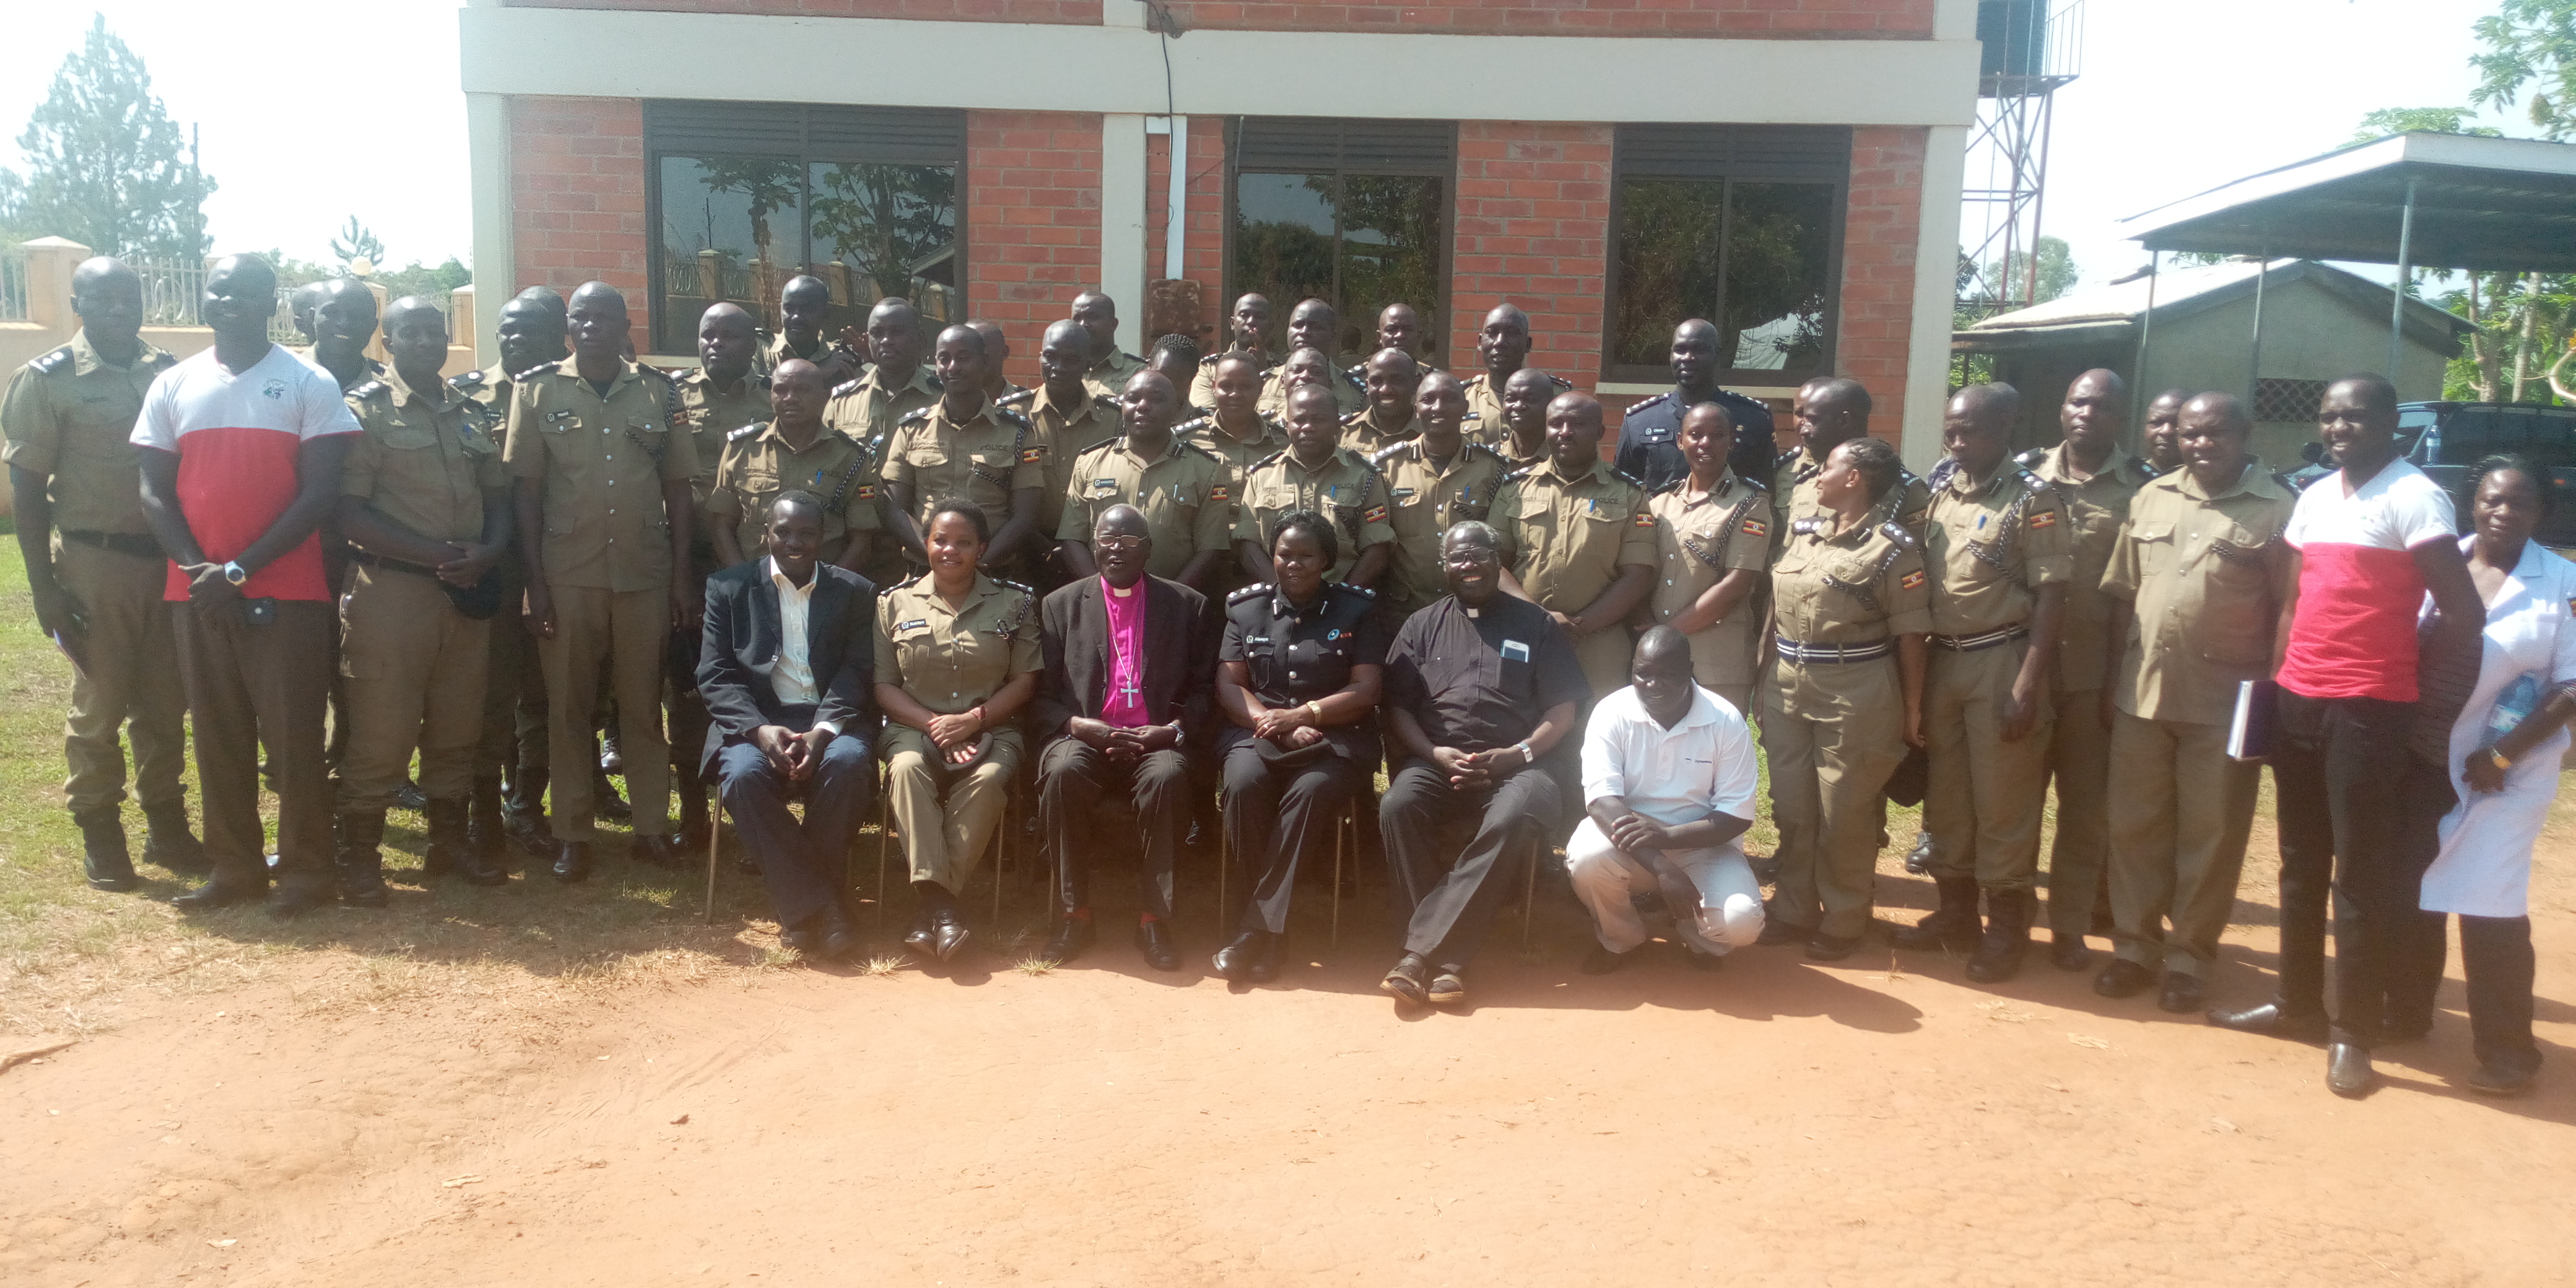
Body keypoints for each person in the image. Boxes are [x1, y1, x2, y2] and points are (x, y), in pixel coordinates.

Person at [2206, 374, 2484, 1100]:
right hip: (2298, 701)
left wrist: (2398, 670)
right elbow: (2293, 602)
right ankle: (2297, 1006)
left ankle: (2350, 1032)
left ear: (2390, 422)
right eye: (2329, 417)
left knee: (2357, 875)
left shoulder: (2413, 496)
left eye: (2354, 416)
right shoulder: (2314, 496)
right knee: (2298, 862)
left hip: (2369, 710)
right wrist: (2273, 690)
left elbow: (2461, 613)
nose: (2338, 428)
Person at [133, 254, 359, 918]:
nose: (229, 302)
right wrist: (200, 569)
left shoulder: (307, 382)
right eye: (220, 291)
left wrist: (239, 569)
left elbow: (320, 493)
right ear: (205, 299)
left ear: (271, 305)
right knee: (218, 735)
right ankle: (234, 868)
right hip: (196, 594)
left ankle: (307, 873)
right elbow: (152, 489)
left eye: (246, 293)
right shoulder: (173, 383)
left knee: (293, 740)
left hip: (287, 592)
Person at [2, 255, 202, 889]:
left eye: (130, 296)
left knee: (166, 703)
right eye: (104, 297)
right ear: (77, 304)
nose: (120, 308)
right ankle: (99, 830)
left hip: (166, 562)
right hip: (96, 562)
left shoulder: (168, 372)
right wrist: (45, 590)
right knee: (101, 700)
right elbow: (28, 491)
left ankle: (166, 824)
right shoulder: (47, 379)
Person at [2093, 393, 2294, 1014]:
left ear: (2243, 434)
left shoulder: (2277, 507)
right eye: (2189, 434)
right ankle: (2132, 947)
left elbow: (2288, 608)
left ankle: (2187, 957)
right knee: (2132, 828)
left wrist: (2276, 694)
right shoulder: (2151, 497)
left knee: (2210, 836)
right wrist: (2110, 681)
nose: (2201, 444)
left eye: (2215, 434)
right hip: (2141, 692)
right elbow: (2122, 595)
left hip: (2223, 701)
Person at [2389, 456, 2572, 1097]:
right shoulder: (2436, 564)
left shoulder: (2562, 581)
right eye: (2492, 500)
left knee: (2488, 905)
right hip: (2422, 754)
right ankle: (2405, 1012)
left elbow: (2570, 685)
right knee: (2414, 891)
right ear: (2473, 503)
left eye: (2518, 503)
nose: (2502, 511)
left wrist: (2501, 755)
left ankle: (2507, 1051)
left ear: (2537, 514)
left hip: (2507, 771)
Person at [506, 281, 700, 882]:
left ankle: (650, 827)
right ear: (568, 326)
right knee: (568, 709)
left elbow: (678, 490)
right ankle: (572, 833)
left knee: (642, 707)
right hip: (568, 575)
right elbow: (526, 494)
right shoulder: (536, 390)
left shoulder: (659, 391)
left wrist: (680, 577)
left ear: (623, 326)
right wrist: (535, 583)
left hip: (643, 573)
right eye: (580, 317)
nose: (591, 326)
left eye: (603, 317)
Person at [330, 297, 515, 900]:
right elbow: (349, 513)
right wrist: (434, 554)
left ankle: (448, 842)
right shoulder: (365, 410)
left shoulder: (471, 409)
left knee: (457, 726)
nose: (424, 342)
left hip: (464, 596)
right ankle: (358, 854)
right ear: (388, 341)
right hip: (393, 594)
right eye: (409, 332)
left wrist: (489, 551)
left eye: (434, 332)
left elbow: (499, 499)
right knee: (382, 729)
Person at [1894, 383, 2071, 984]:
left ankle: (2006, 929)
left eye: (1971, 430)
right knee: (1948, 797)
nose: (1957, 439)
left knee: (2002, 801)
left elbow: (2051, 595)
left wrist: (2026, 682)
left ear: (2005, 428)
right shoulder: (1940, 491)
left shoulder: (2031, 499)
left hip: (2001, 659)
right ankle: (1954, 915)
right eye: (1951, 428)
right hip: (1944, 661)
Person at [1378, 520, 1585, 1007]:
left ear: (1498, 563)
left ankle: (1420, 955)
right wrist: (1431, 753)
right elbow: (1398, 708)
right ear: (1443, 566)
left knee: (1513, 814)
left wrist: (1517, 754)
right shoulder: (1421, 624)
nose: (1468, 565)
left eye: (1479, 556)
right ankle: (1447, 959)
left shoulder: (1536, 625)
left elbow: (1563, 710)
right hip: (1438, 759)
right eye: (1458, 558)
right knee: (1397, 805)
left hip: (1521, 764)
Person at [1759, 435, 1929, 959]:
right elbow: (1776, 606)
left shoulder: (1894, 548)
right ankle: (1793, 907)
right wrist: (1761, 672)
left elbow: (1912, 635)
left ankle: (1846, 918)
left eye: (1828, 467)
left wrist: (1912, 711)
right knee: (1792, 806)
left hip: (1854, 687)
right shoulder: (1806, 533)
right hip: (1788, 682)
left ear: (1854, 478)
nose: (1816, 477)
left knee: (1845, 812)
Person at [1031, 505, 1216, 968]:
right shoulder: (1060, 605)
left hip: (1155, 740)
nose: (1116, 548)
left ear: (1148, 550)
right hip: (1086, 737)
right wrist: (1077, 726)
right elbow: (1038, 695)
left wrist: (1171, 731)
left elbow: (1205, 691)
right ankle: (1076, 914)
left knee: (1170, 778)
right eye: (1107, 540)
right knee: (1061, 772)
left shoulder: (1187, 605)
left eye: (1129, 540)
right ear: (1094, 547)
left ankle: (1154, 920)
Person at [698, 491, 878, 962]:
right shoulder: (728, 587)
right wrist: (759, 730)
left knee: (849, 765)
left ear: (824, 538)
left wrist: (822, 731)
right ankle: (823, 908)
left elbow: (859, 670)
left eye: (806, 534)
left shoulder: (856, 591)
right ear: (766, 533)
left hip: (830, 720)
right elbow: (715, 674)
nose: (793, 542)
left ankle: (802, 909)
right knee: (741, 775)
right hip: (756, 721)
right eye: (783, 532)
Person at [2021, 368, 2159, 970]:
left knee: (2084, 810)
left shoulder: (2144, 489)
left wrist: (2117, 682)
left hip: (2094, 677)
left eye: (2101, 407)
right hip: (2021, 668)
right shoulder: (2023, 474)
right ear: (2061, 408)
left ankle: (2069, 925)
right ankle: (2006, 914)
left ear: (2119, 419)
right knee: (2013, 803)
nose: (2086, 413)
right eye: (2077, 401)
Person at [1213, 511, 1386, 983]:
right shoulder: (1244, 610)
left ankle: (1257, 930)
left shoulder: (1358, 609)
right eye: (1285, 555)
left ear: (1326, 560)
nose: (1293, 564)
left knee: (1309, 792)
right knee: (1243, 782)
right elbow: (1230, 685)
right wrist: (1275, 723)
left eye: (1305, 556)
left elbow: (1366, 689)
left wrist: (1306, 715)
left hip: (1337, 739)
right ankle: (1270, 930)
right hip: (1258, 733)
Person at [873, 500, 1042, 962]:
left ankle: (930, 907)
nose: (951, 550)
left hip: (992, 726)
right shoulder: (892, 602)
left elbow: (1025, 680)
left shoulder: (1017, 602)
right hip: (913, 724)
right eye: (940, 540)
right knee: (906, 769)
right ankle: (943, 907)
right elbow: (884, 684)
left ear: (982, 548)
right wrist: (933, 724)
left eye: (963, 542)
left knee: (987, 780)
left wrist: (973, 721)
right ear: (925, 544)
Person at [1569, 627, 1764, 973]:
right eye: (1644, 673)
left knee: (1741, 922)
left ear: (1690, 670)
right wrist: (1663, 867)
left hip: (1705, 844)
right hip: (1629, 841)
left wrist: (1668, 839)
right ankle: (1622, 939)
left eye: (1668, 674)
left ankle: (1699, 938)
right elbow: (1601, 801)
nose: (1653, 684)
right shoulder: (1610, 712)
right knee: (1588, 859)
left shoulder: (1726, 720)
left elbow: (1736, 816)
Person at [461, 287, 569, 859]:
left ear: (560, 336)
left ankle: (527, 804)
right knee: (491, 694)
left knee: (549, 696)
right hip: (495, 570)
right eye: (508, 327)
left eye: (531, 328)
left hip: (564, 564)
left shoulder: (574, 391)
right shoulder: (466, 397)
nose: (515, 338)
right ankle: (485, 812)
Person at [668, 302, 773, 849]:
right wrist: (682, 575)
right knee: (689, 689)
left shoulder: (774, 396)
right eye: (708, 335)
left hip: (753, 570)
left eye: (730, 337)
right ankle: (691, 811)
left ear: (752, 343)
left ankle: (754, 802)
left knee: (754, 682)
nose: (716, 345)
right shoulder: (673, 395)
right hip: (691, 563)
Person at [1490, 390, 1656, 700]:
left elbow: (1638, 576)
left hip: (1599, 642)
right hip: (1525, 633)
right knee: (1523, 724)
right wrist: (1541, 620)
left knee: (1595, 733)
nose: (1565, 432)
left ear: (1600, 433)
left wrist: (1580, 627)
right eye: (1556, 424)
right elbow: (1495, 564)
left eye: (1577, 424)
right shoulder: (1516, 488)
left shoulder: (1629, 494)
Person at [880, 325, 1045, 573]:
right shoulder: (911, 429)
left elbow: (1025, 516)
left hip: (992, 571)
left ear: (985, 361)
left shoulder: (1017, 432)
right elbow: (894, 508)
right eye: (944, 358)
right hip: (925, 569)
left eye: (964, 358)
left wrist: (978, 562)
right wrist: (938, 558)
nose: (953, 367)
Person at [1639, 402, 1769, 714]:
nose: (1705, 444)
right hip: (1657, 665)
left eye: (1717, 435)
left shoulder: (1750, 505)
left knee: (1714, 756)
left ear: (1731, 442)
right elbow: (1640, 573)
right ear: (1680, 441)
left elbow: (1737, 585)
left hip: (1717, 663)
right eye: (1695, 435)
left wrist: (1666, 636)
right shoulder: (1658, 504)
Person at [1055, 370, 1232, 590]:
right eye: (1133, 399)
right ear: (1122, 407)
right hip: (1102, 602)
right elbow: (1072, 538)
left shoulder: (1206, 469)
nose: (1143, 406)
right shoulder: (1090, 463)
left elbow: (1210, 549)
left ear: (1177, 411)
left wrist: (1169, 599)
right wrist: (1100, 593)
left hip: (1174, 605)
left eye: (1156, 399)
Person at [705, 359, 880, 573]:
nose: (790, 398)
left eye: (802, 390)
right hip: (754, 582)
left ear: (825, 398)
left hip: (822, 586)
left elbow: (861, 541)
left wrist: (827, 589)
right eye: (780, 390)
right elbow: (721, 526)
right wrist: (746, 582)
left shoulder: (851, 456)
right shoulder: (741, 449)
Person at [1368, 369, 1509, 622]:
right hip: (1403, 610)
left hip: (1472, 608)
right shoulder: (1386, 467)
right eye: (1428, 399)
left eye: (1449, 399)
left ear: (1465, 407)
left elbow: (1501, 544)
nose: (1438, 407)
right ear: (1416, 405)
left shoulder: (1493, 468)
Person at [1235, 382, 1395, 588]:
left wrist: (1340, 602)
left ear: (1338, 425)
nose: (1308, 427)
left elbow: (1377, 548)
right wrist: (1282, 593)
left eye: (1319, 420)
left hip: (1343, 600)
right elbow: (1248, 545)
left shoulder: (1365, 476)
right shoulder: (1262, 476)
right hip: (1276, 600)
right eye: (1299, 420)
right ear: (1287, 425)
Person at [1018, 320, 1125, 584]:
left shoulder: (1113, 418)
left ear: (1088, 363)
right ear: (1040, 356)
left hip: (1092, 551)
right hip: (1024, 548)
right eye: (1050, 357)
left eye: (1071, 359)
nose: (1058, 368)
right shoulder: (1014, 415)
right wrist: (1038, 543)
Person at [1615, 319, 1778, 494]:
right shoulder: (1639, 421)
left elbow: (1768, 490)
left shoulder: (1754, 418)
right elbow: (1623, 493)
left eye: (1699, 350)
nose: (1688, 357)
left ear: (1718, 355)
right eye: (1680, 350)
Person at [1772, 377, 1926, 536]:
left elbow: (1916, 553)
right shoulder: (1784, 471)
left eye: (1813, 420)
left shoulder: (1899, 486)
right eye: (1800, 415)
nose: (1803, 428)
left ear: (1844, 420)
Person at [821, 297, 940, 451]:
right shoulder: (842, 401)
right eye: (877, 333)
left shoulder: (944, 399)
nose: (885, 341)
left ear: (921, 339)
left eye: (897, 332)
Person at [1461, 304, 1570, 439]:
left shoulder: (1557, 398)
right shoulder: (1460, 398)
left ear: (1527, 344)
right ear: (1479, 342)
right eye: (1492, 332)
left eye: (1512, 333)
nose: (1500, 342)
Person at [1257, 300, 1364, 417]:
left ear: (1333, 336)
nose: (1304, 332)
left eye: (1316, 327)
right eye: (1298, 325)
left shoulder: (1354, 390)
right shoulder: (1262, 384)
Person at [759, 274, 859, 385]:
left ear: (826, 314)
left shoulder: (839, 358)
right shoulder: (759, 349)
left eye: (807, 310)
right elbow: (750, 385)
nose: (796, 317)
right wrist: (819, 374)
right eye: (789, 309)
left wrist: (869, 359)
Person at [1186, 292, 1271, 406]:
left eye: (1259, 317)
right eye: (1244, 315)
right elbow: (1205, 416)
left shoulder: (1284, 373)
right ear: (1232, 323)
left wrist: (1264, 372)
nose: (1251, 321)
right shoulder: (1209, 369)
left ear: (1271, 327)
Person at [301, 278, 385, 392]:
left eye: (357, 316)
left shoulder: (389, 386)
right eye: (332, 312)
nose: (344, 324)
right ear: (312, 317)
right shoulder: (285, 376)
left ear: (373, 326)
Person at [1339, 348, 1423, 457]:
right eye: (1377, 381)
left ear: (1416, 384)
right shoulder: (1343, 432)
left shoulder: (1430, 434)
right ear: (1367, 386)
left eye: (1396, 380)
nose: (1385, 390)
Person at [1072, 291, 1148, 401]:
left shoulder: (1139, 373)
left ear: (1113, 325)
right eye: (1077, 319)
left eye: (1092, 317)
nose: (1083, 324)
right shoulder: (1064, 371)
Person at [1486, 367, 1557, 470]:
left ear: (1550, 404)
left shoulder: (1563, 459)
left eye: (1529, 399)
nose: (1518, 406)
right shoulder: (1488, 458)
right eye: (1510, 399)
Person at [967, 320, 1024, 404]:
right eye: (963, 355)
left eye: (980, 349)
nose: (972, 359)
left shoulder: (1028, 404)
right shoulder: (945, 402)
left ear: (1004, 352)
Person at [2139, 388, 2191, 476]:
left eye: (2177, 423)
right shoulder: (2126, 476)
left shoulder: (2208, 485)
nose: (2166, 431)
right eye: (2157, 423)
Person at [1147, 333, 1201, 405]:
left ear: (1192, 379)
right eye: (1160, 376)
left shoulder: (1199, 416)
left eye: (1176, 381)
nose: (1164, 388)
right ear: (1149, 365)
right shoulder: (1130, 412)